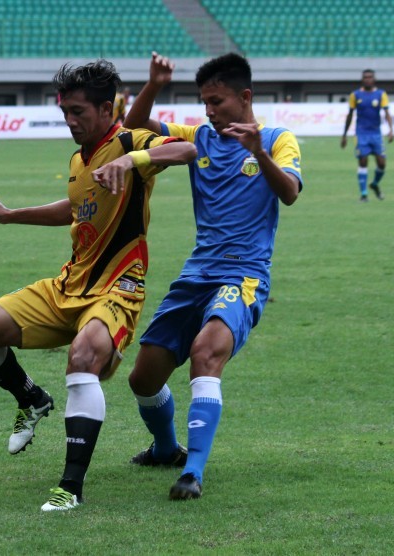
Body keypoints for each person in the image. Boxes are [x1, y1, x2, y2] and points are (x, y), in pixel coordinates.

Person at [0, 59, 197, 512]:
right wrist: (11, 215)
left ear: (107, 109)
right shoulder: (78, 158)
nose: (70, 120)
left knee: (82, 358)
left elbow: (187, 152)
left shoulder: (128, 140)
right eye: (65, 110)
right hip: (68, 285)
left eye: (79, 111)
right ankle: (30, 398)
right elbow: (73, 208)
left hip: (117, 288)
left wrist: (132, 161)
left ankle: (70, 489)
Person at [122, 52, 302, 500]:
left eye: (216, 101)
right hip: (196, 274)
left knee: (206, 353)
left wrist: (257, 151)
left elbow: (291, 193)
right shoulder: (199, 136)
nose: (209, 111)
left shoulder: (278, 139)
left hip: (243, 277)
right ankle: (167, 449)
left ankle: (193, 473)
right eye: (204, 102)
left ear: (245, 97)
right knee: (143, 379)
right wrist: (154, 85)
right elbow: (133, 128)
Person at [340, 69, 393, 202]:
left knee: (382, 164)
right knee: (363, 161)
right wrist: (344, 135)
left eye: (370, 77)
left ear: (374, 79)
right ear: (362, 79)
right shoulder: (355, 95)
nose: (367, 79)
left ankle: (374, 184)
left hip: (376, 133)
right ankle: (363, 194)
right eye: (365, 77)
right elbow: (350, 114)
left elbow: (387, 113)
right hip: (361, 133)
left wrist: (391, 129)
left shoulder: (381, 94)